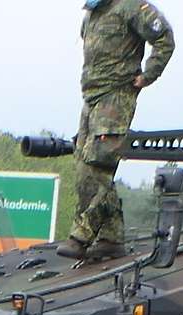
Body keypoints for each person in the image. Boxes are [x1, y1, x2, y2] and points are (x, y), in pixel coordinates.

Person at [65, 0, 172, 259]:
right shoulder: (93, 13)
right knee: (82, 166)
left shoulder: (132, 6)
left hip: (116, 95)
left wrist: (149, 74)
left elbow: (164, 38)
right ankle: (110, 237)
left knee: (99, 166)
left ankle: (82, 234)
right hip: (92, 95)